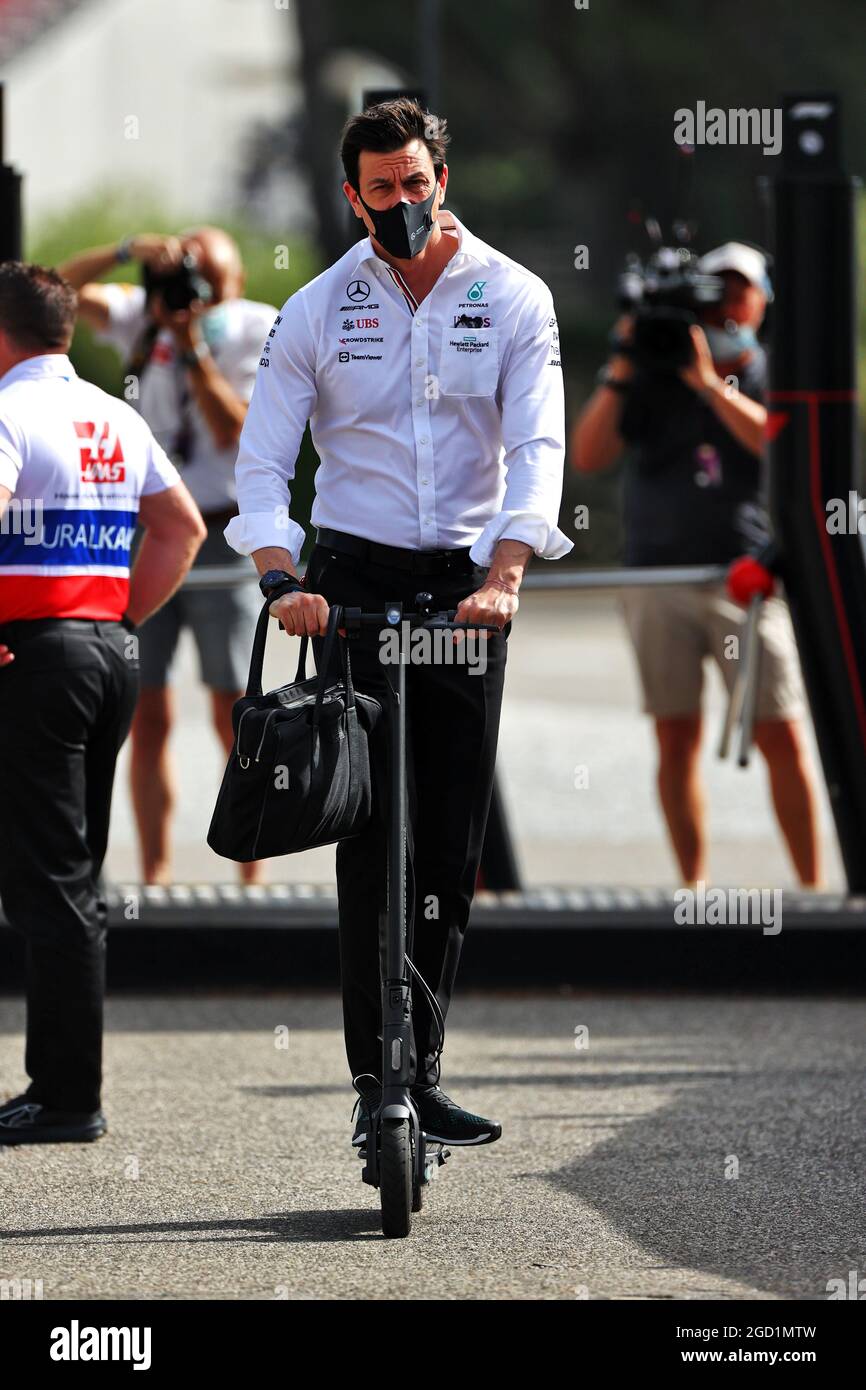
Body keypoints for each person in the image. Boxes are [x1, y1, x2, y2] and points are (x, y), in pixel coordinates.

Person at [225, 97, 572, 1148]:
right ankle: (373, 1082)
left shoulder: (512, 294)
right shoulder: (318, 307)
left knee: (449, 833)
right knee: (371, 835)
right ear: (352, 197)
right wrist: (279, 571)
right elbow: (261, 458)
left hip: (467, 581)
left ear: (441, 181)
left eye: (416, 185)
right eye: (381, 191)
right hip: (351, 581)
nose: (402, 204)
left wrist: (507, 571)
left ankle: (420, 1070)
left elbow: (538, 448)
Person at [0, 261, 205, 1144]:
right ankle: (64, 1087)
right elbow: (183, 527)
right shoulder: (112, 412)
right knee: (72, 876)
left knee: (51, 883)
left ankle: (67, 1095)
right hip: (106, 652)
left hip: (34, 657)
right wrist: (118, 615)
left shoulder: (7, 412)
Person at [571, 241, 823, 887]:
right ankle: (694, 891)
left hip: (748, 575)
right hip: (657, 575)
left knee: (782, 734)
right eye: (717, 292)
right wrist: (627, 361)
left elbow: (781, 448)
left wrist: (710, 385)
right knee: (674, 738)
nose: (731, 304)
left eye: (743, 290)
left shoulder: (772, 367)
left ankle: (817, 892)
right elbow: (590, 455)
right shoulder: (649, 370)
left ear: (765, 299)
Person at [58, 228, 277, 886]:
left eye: (204, 272)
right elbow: (51, 289)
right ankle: (154, 876)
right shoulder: (144, 314)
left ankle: (251, 876)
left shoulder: (252, 327)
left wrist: (190, 350)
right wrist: (127, 253)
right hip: (148, 529)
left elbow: (233, 428)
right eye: (182, 269)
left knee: (233, 708)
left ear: (233, 280)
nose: (189, 287)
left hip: (218, 534)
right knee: (144, 707)